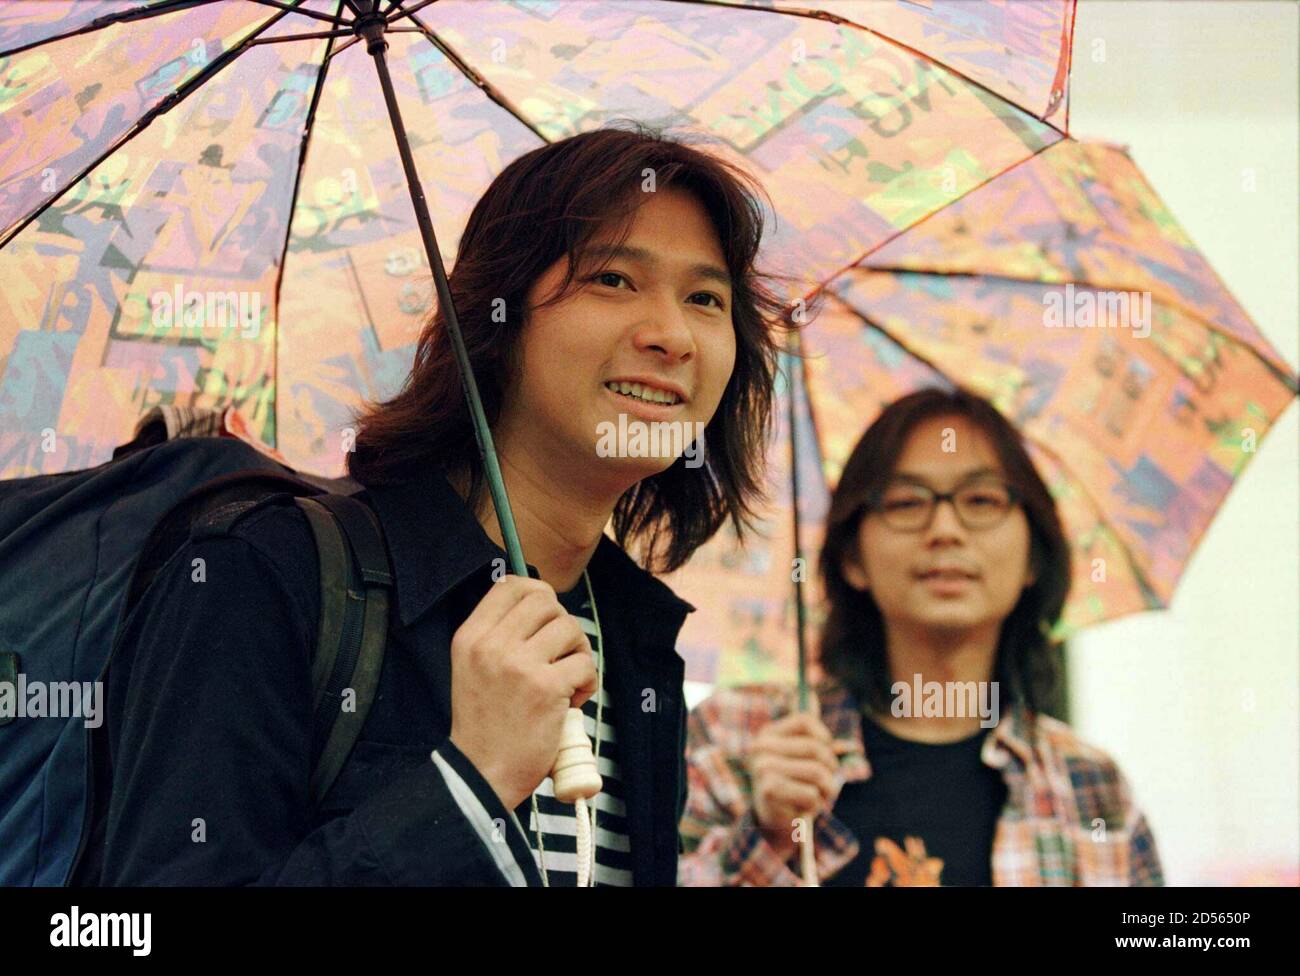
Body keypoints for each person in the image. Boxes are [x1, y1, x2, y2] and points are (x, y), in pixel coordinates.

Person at [73, 122, 793, 886]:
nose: (674, 336)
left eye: (707, 298)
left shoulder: (637, 640)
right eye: (614, 279)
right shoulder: (262, 572)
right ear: (497, 316)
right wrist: (466, 786)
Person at [679, 387, 1164, 886]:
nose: (945, 529)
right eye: (907, 501)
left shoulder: (1092, 789)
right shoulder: (733, 739)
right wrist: (766, 836)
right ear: (852, 558)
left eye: (982, 499)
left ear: (1034, 557)